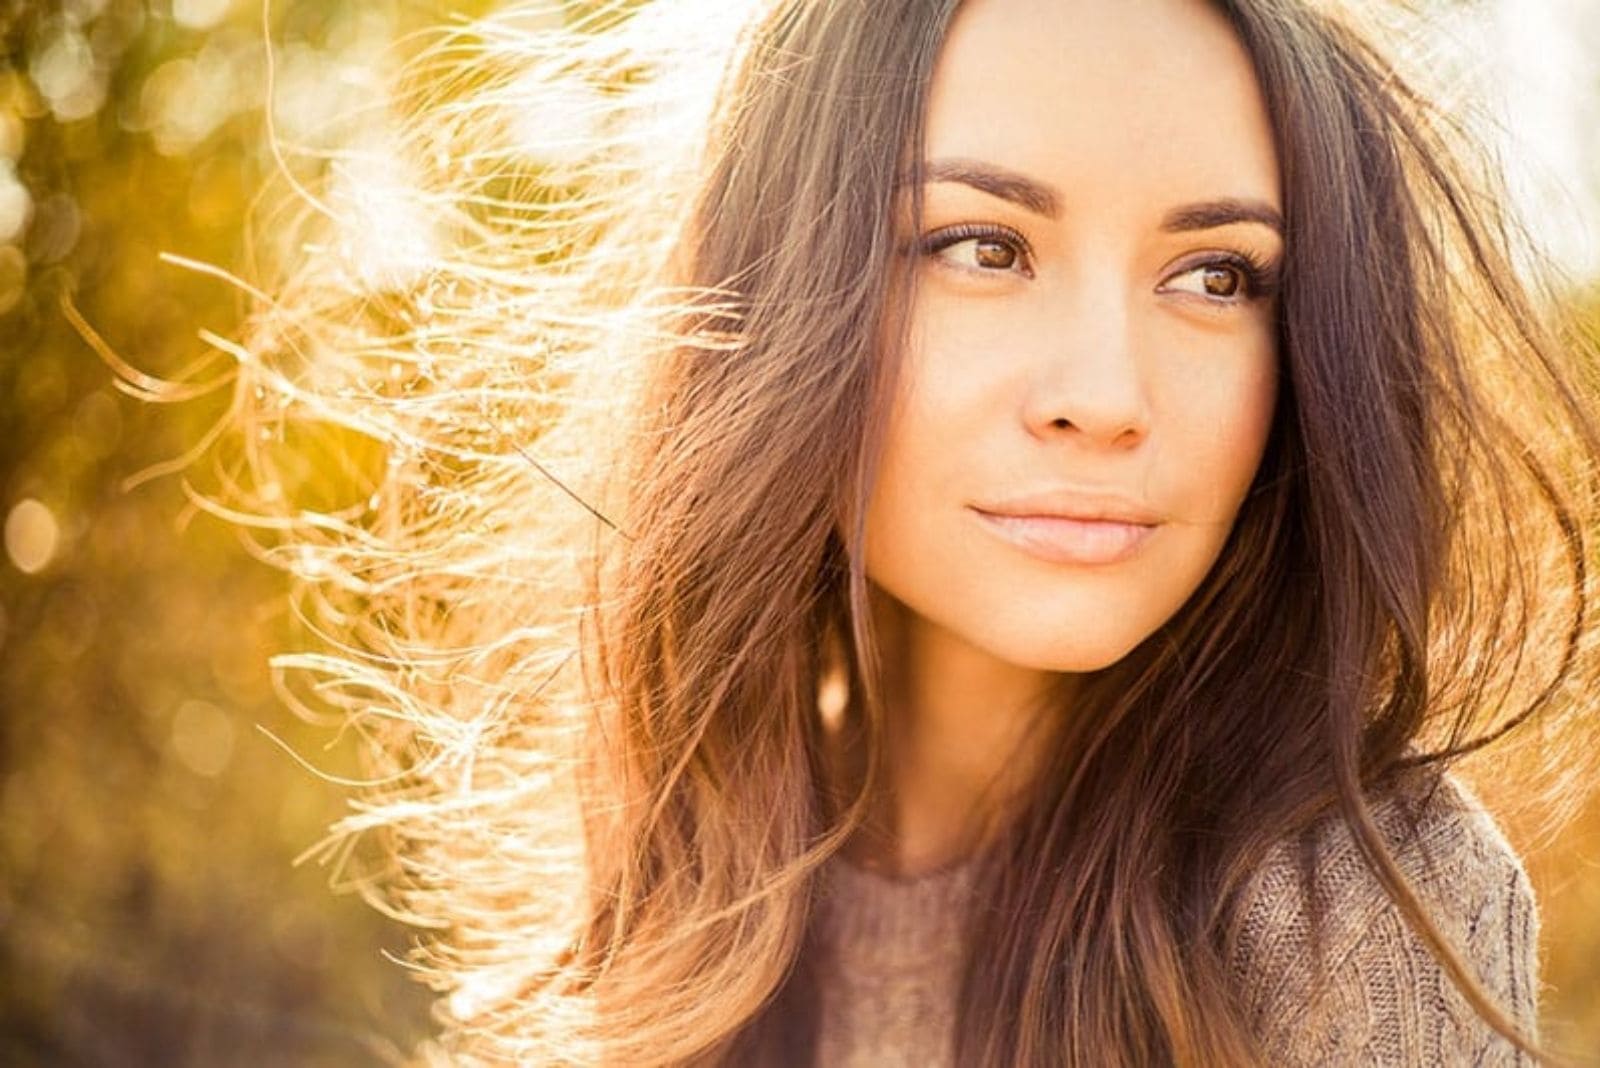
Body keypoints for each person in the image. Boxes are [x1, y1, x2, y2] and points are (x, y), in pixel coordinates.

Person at [210, 0, 1600, 1063]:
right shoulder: (688, 872)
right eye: (983, 247)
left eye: (1216, 273)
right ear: (782, 290)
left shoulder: (1356, 907)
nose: (1104, 398)